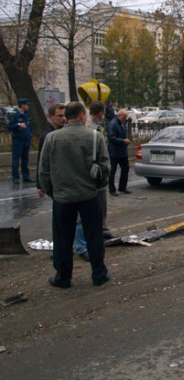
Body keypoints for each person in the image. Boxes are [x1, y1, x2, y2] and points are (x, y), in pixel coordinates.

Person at [39, 101, 110, 288]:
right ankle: (99, 274)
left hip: (63, 197)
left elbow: (44, 170)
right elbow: (105, 167)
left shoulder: (52, 138)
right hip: (88, 195)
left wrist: (53, 192)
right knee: (94, 236)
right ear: (80, 116)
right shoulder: (95, 137)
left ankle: (63, 277)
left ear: (67, 116)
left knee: (63, 238)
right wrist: (98, 186)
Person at [75, 101, 114, 261]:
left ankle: (102, 229)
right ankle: (84, 243)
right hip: (91, 175)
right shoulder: (89, 130)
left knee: (102, 206)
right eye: (103, 112)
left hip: (100, 174)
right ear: (100, 112)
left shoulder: (100, 127)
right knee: (86, 212)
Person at [37, 103, 66, 196]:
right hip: (55, 180)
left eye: (65, 115)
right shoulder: (46, 136)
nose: (63, 119)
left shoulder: (68, 133)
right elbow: (41, 161)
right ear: (50, 117)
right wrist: (40, 185)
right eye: (60, 116)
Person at [8, 98, 34, 185]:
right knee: (16, 159)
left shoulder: (26, 114)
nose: (28, 106)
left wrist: (30, 134)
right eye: (27, 104)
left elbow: (29, 125)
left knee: (25, 159)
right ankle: (15, 178)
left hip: (26, 139)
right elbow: (9, 126)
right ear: (22, 105)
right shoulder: (15, 115)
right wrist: (18, 124)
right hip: (18, 139)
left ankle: (26, 176)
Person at [107, 109, 131, 196]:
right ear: (120, 115)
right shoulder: (113, 124)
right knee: (112, 171)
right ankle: (112, 189)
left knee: (125, 168)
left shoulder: (121, 123)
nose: (125, 119)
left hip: (122, 151)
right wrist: (123, 141)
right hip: (114, 152)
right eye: (124, 117)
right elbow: (111, 137)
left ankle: (122, 187)